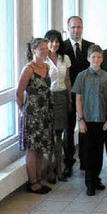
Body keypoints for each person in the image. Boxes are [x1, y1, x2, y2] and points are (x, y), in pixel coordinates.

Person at [72, 45, 107, 196]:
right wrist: (81, 119)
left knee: (99, 152)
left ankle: (96, 178)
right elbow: (78, 98)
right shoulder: (82, 76)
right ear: (88, 58)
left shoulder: (106, 76)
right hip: (87, 120)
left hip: (102, 120)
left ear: (102, 59)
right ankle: (89, 183)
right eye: (93, 57)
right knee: (88, 152)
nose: (96, 60)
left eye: (99, 57)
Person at [17, 38, 55, 194]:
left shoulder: (46, 66)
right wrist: (24, 111)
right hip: (33, 115)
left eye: (47, 48)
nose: (45, 51)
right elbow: (19, 93)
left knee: (41, 148)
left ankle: (39, 179)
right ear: (34, 51)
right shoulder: (28, 69)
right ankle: (33, 183)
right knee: (33, 149)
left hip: (45, 113)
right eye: (42, 49)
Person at [62, 16, 95, 177]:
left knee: (84, 129)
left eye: (79, 27)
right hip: (68, 95)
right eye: (73, 27)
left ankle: (84, 160)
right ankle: (68, 162)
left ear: (82, 28)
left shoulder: (90, 47)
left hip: (86, 96)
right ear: (68, 28)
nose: (76, 30)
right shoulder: (61, 47)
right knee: (68, 130)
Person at [44, 30, 72, 183]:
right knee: (49, 136)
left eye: (57, 41)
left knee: (58, 136)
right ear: (46, 42)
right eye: (51, 41)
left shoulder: (64, 58)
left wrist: (70, 99)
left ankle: (59, 169)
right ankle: (50, 171)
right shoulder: (42, 59)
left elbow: (67, 79)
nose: (54, 44)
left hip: (62, 98)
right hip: (48, 99)